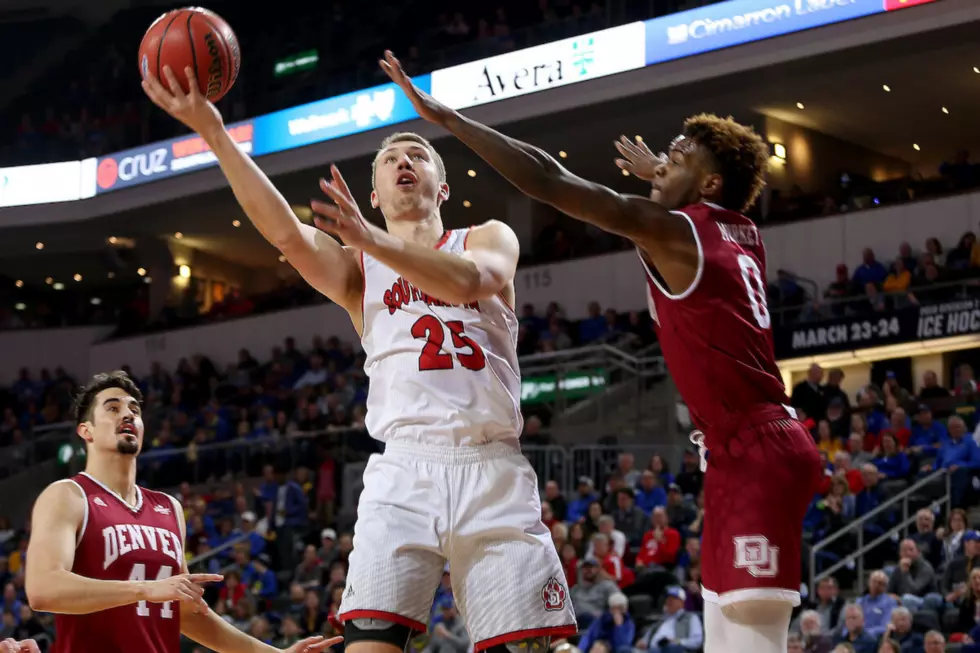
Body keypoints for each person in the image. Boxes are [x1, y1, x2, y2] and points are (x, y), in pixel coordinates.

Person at [379, 50, 821, 653]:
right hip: (738, 447)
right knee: (727, 634)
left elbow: (550, 180)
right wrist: (667, 180)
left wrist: (450, 120)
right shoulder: (736, 229)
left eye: (678, 158)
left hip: (756, 449)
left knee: (751, 637)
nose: (662, 163)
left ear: (708, 185)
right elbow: (698, 214)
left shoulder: (678, 231)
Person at [141, 65, 576, 653]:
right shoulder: (358, 268)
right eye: (391, 157)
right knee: (369, 644)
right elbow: (286, 235)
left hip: (490, 467)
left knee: (526, 648)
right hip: (403, 470)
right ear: (373, 194)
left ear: (442, 188)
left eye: (417, 154)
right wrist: (216, 132)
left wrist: (374, 239)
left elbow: (474, 281)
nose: (404, 159)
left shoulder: (485, 236)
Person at [24, 371, 339, 653]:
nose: (128, 414)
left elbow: (188, 614)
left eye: (134, 409)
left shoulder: (168, 508)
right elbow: (43, 589)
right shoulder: (68, 495)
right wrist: (146, 589)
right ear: (86, 431)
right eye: (113, 408)